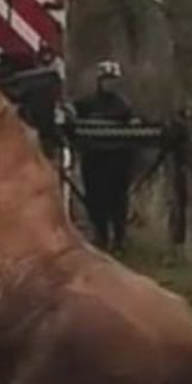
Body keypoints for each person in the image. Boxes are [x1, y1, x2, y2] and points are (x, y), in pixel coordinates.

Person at [73, 59, 137, 251]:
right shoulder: (86, 103)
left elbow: (134, 125)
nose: (109, 83)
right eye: (106, 79)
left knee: (118, 200)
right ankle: (101, 236)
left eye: (113, 80)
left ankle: (119, 238)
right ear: (99, 81)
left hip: (117, 159)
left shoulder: (123, 105)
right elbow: (73, 116)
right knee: (95, 199)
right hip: (94, 158)